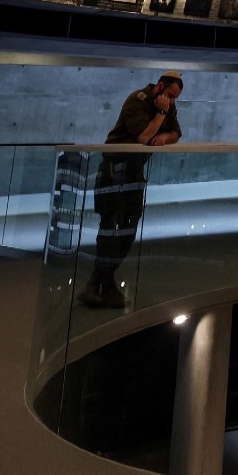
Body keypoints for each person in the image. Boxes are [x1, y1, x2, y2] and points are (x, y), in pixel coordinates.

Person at [79, 72, 185, 309]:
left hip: (134, 172)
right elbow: (144, 136)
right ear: (158, 87)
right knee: (109, 228)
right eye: (169, 95)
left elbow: (177, 133)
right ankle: (102, 284)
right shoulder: (136, 101)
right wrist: (160, 115)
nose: (172, 102)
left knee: (128, 228)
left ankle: (101, 283)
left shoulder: (168, 105)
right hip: (113, 170)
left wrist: (164, 137)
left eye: (175, 98)